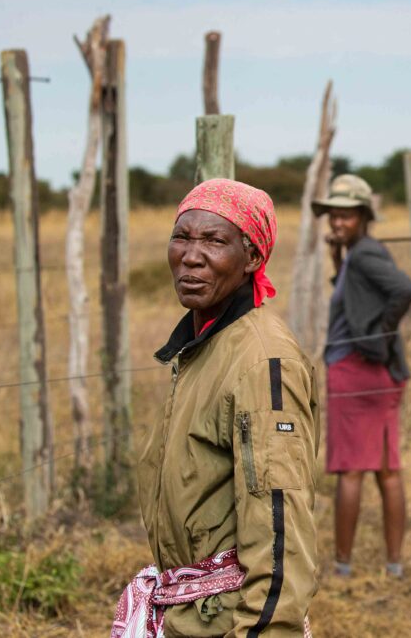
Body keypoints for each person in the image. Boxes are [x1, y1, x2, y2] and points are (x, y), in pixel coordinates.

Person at [112, 179, 318, 637]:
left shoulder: (263, 361)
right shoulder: (205, 344)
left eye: (214, 240)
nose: (191, 255)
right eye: (182, 236)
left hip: (229, 620)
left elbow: (280, 526)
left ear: (253, 259)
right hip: (191, 614)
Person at [312, 174, 411, 580]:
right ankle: (392, 566)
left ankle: (342, 568)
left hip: (358, 370)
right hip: (377, 372)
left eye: (345, 216)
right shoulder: (358, 255)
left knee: (353, 470)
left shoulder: (368, 254)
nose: (337, 222)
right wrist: (340, 257)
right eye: (333, 216)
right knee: (386, 468)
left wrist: (378, 332)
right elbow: (353, 295)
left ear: (363, 217)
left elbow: (405, 289)